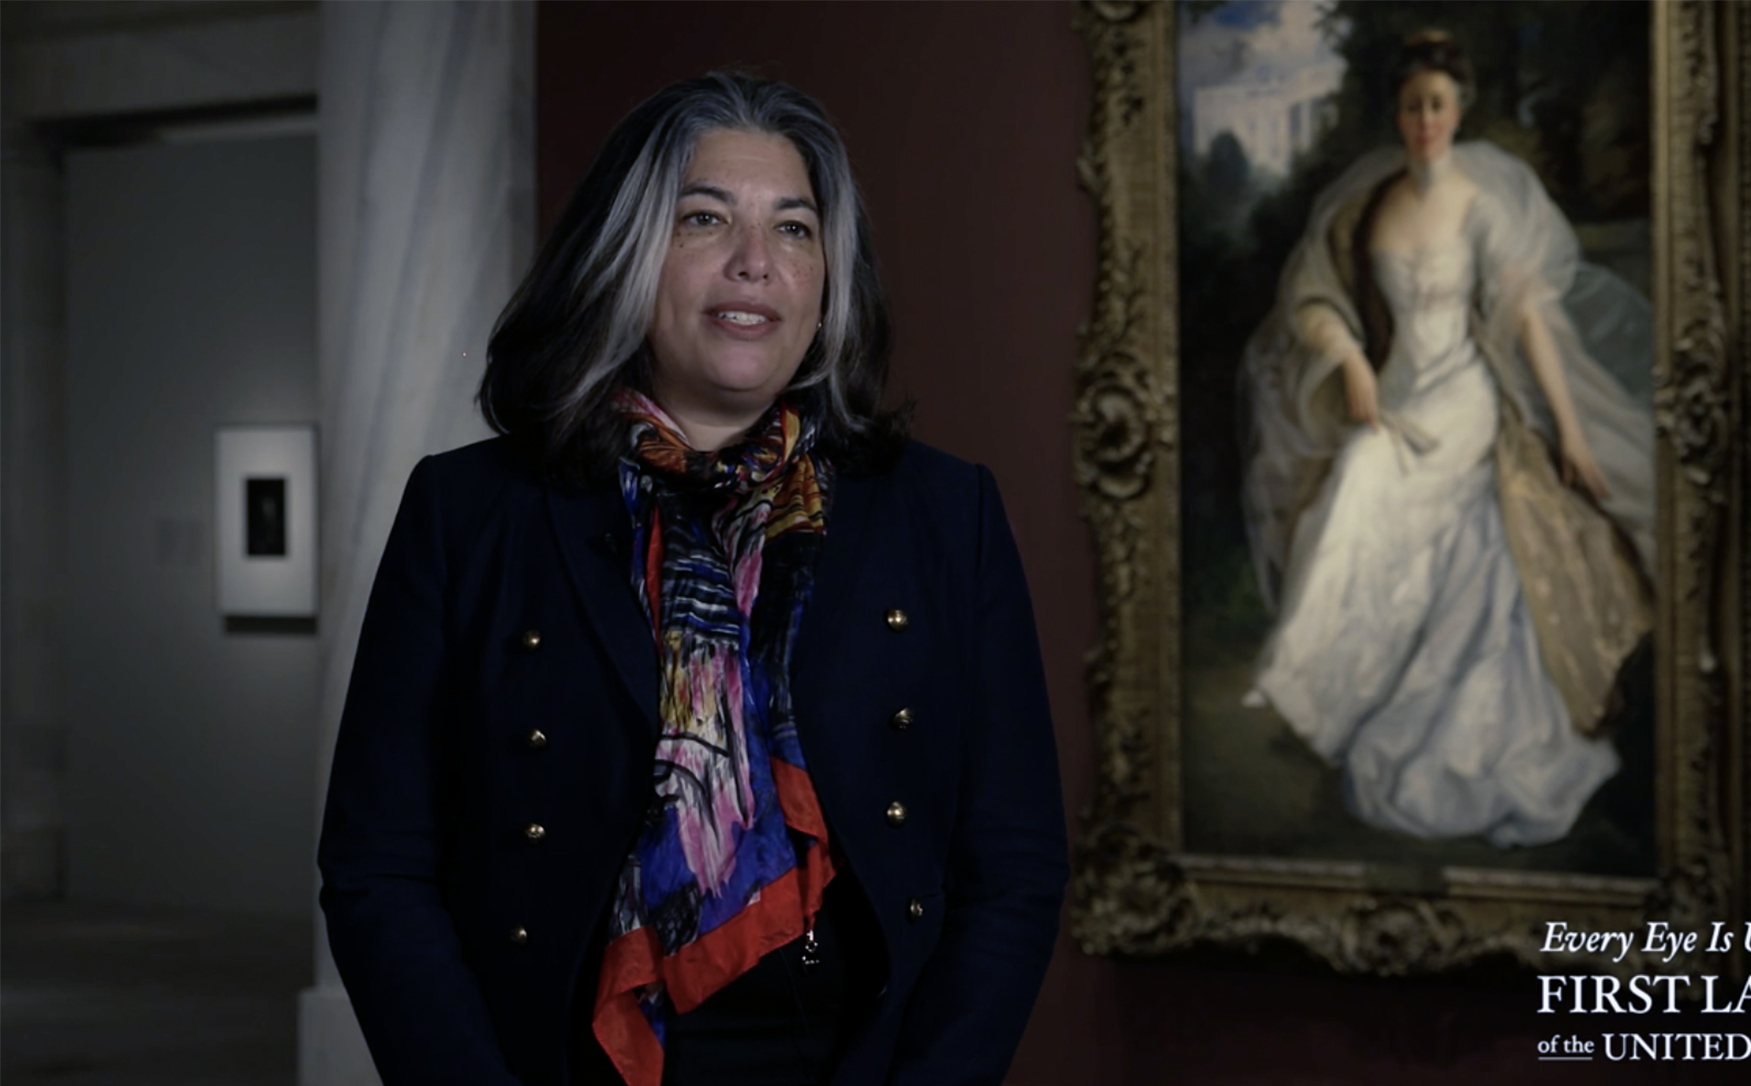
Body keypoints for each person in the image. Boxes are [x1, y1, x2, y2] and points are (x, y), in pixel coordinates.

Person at [317, 73, 1069, 1086]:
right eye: (703, 219)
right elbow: (377, 867)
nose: (754, 264)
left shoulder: (943, 513)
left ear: (828, 276)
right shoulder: (469, 513)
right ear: (624, 254)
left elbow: (1013, 867)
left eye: (794, 230)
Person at [1237, 32, 1656, 848]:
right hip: (1396, 401)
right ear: (1396, 114)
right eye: (1411, 105)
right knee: (1357, 479)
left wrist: (1569, 430)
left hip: (1464, 399)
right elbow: (1312, 301)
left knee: (1465, 540)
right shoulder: (1371, 205)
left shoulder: (1482, 201)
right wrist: (1352, 357)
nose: (1424, 119)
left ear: (1458, 111)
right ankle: (1328, 690)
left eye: (1437, 104)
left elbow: (1530, 319)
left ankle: (1438, 713)